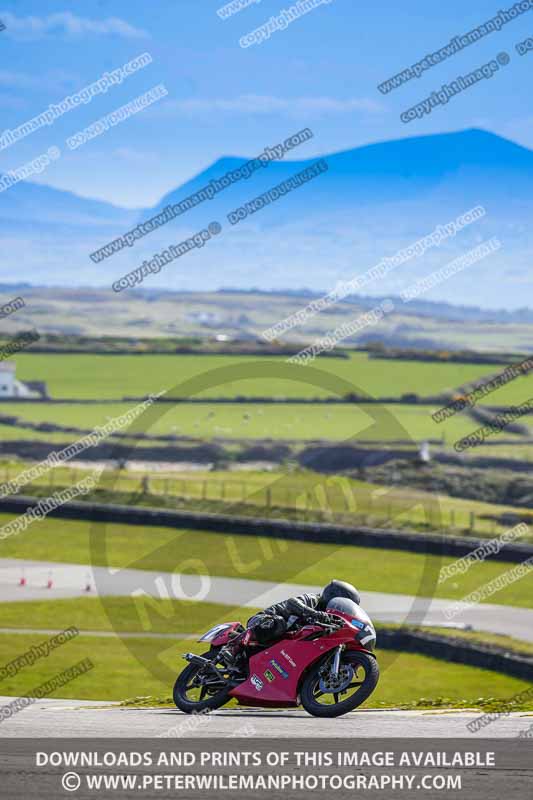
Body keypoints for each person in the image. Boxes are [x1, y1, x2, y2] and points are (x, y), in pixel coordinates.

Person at [220, 580, 360, 669]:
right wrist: (315, 614)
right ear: (333, 596)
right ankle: (233, 646)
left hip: (282, 642)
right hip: (264, 621)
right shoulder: (313, 599)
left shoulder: (328, 619)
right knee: (279, 623)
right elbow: (294, 603)